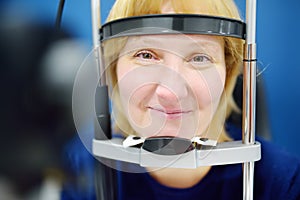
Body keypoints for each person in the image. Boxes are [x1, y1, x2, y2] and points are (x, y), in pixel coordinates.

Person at [61, 0, 300, 199]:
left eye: (199, 58)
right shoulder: (81, 172)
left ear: (228, 75)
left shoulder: (283, 184)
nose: (171, 90)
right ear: (113, 71)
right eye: (146, 55)